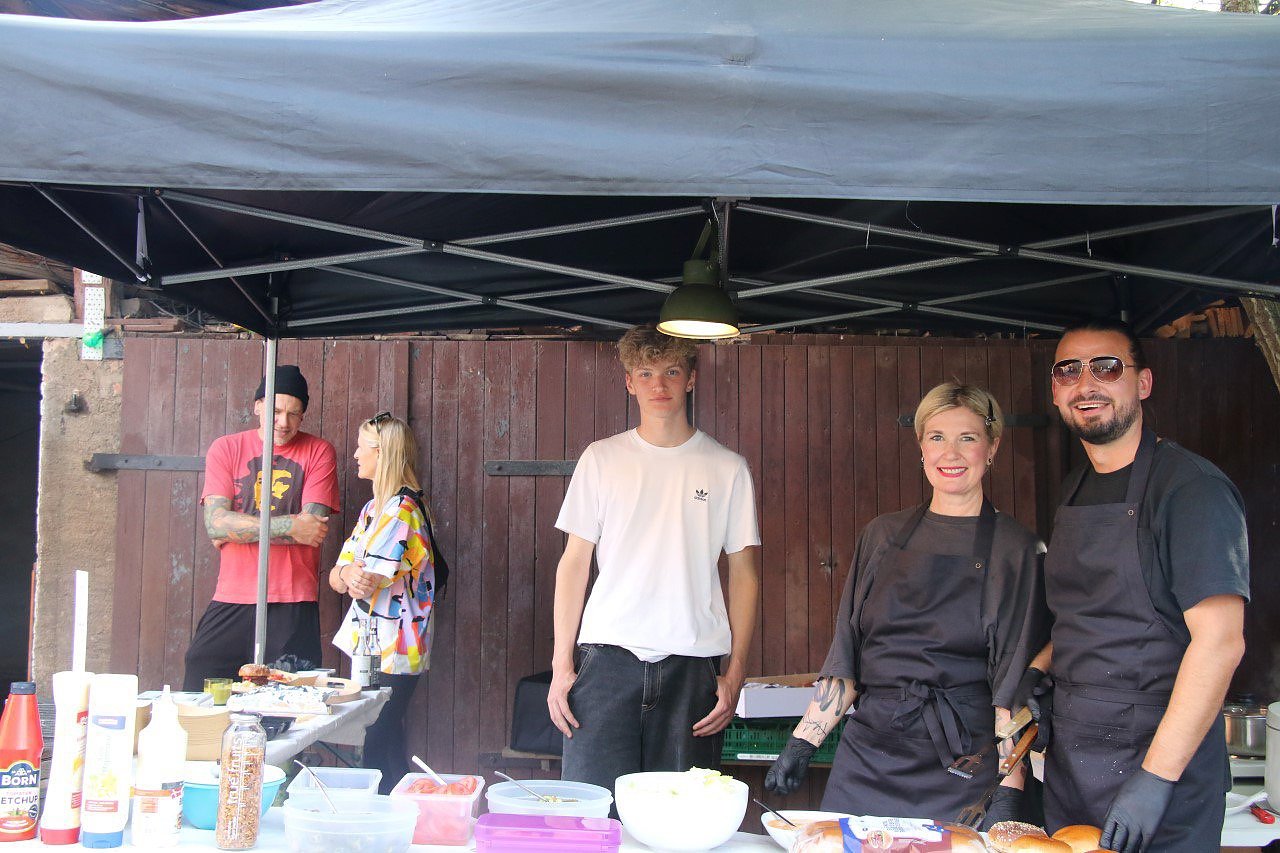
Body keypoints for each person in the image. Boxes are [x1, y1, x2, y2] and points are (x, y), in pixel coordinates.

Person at [765, 382, 1049, 826]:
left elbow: (1012, 687)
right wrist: (803, 742)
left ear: (992, 448)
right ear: (921, 447)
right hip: (869, 756)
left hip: (962, 765)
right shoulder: (882, 536)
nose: (950, 453)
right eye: (937, 437)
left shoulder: (1016, 550)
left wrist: (1009, 788)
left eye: (967, 438)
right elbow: (847, 653)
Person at [1013, 319, 1248, 853]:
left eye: (1106, 367)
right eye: (1069, 371)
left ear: (1142, 383)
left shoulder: (1192, 490)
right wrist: (1039, 669)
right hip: (1075, 765)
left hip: (1161, 770)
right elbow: (1086, 612)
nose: (1086, 384)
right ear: (1055, 392)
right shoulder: (1075, 488)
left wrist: (1157, 778)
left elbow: (1220, 642)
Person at [547, 325, 761, 795]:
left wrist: (736, 672)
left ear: (691, 379)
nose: (658, 385)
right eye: (645, 373)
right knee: (593, 811)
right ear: (629, 382)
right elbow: (574, 564)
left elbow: (744, 575)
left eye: (671, 372)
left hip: (693, 662)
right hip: (606, 659)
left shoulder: (728, 468)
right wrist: (562, 664)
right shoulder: (601, 458)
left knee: (681, 816)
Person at [183, 365, 339, 691]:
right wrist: (291, 526)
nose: (283, 422)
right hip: (234, 594)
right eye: (276, 411)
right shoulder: (226, 448)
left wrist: (238, 529)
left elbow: (312, 530)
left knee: (289, 699)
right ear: (258, 406)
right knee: (201, 675)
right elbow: (215, 524)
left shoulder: (318, 451)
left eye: (294, 414)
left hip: (293, 598)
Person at [328, 411, 442, 794]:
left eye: (362, 447)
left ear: (382, 453)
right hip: (372, 644)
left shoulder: (402, 511)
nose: (355, 455)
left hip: (396, 646)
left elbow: (364, 582)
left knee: (376, 737)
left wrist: (350, 575)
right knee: (384, 737)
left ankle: (381, 814)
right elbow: (338, 577)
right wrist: (347, 573)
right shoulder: (372, 510)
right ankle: (401, 812)